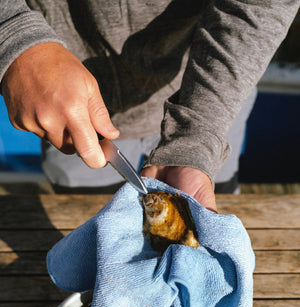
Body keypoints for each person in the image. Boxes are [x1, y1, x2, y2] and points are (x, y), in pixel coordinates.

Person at [0, 0, 299, 213]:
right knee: (87, 217)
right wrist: (14, 37)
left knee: (210, 205)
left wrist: (198, 136)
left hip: (209, 104)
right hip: (66, 107)